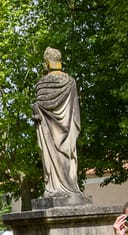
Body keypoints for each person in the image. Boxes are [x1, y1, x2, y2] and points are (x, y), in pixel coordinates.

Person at [32, 47, 82, 197]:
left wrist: (35, 108)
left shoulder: (42, 83)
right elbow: (74, 111)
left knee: (51, 158)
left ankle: (54, 187)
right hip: (67, 133)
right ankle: (70, 186)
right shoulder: (70, 82)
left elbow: (39, 106)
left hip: (49, 133)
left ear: (47, 62)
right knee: (69, 157)